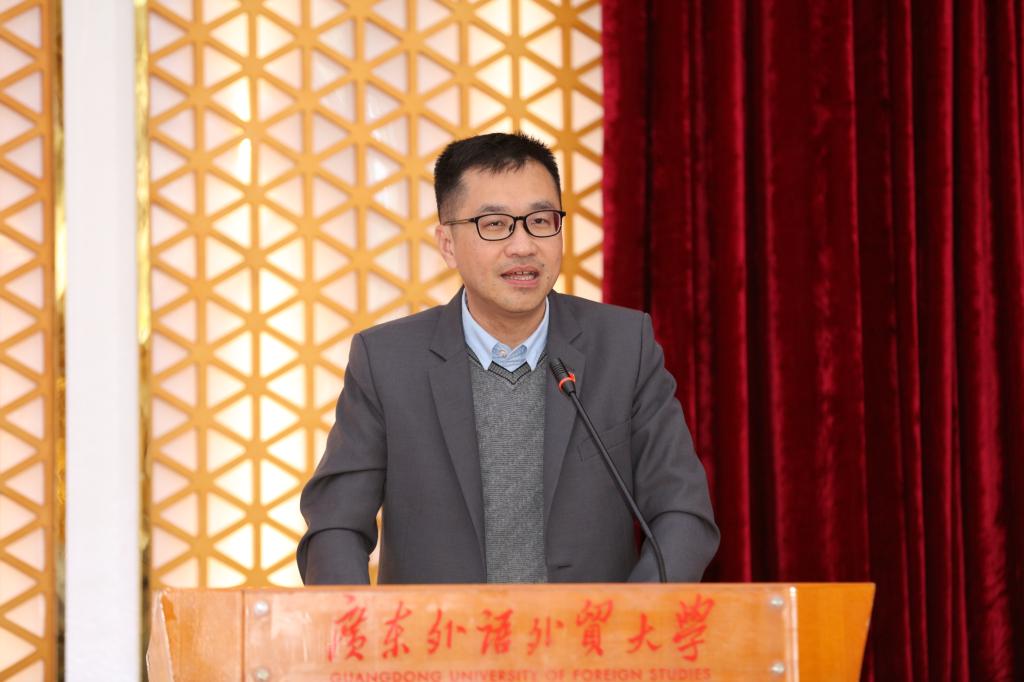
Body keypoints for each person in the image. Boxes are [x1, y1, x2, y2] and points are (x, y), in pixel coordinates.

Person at [298, 132, 719, 584]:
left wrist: (634, 615)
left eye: (540, 220)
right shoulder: (387, 362)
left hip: (592, 628)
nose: (523, 246)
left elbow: (682, 512)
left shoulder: (623, 347)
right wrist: (360, 621)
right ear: (447, 243)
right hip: (439, 628)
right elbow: (336, 526)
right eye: (495, 224)